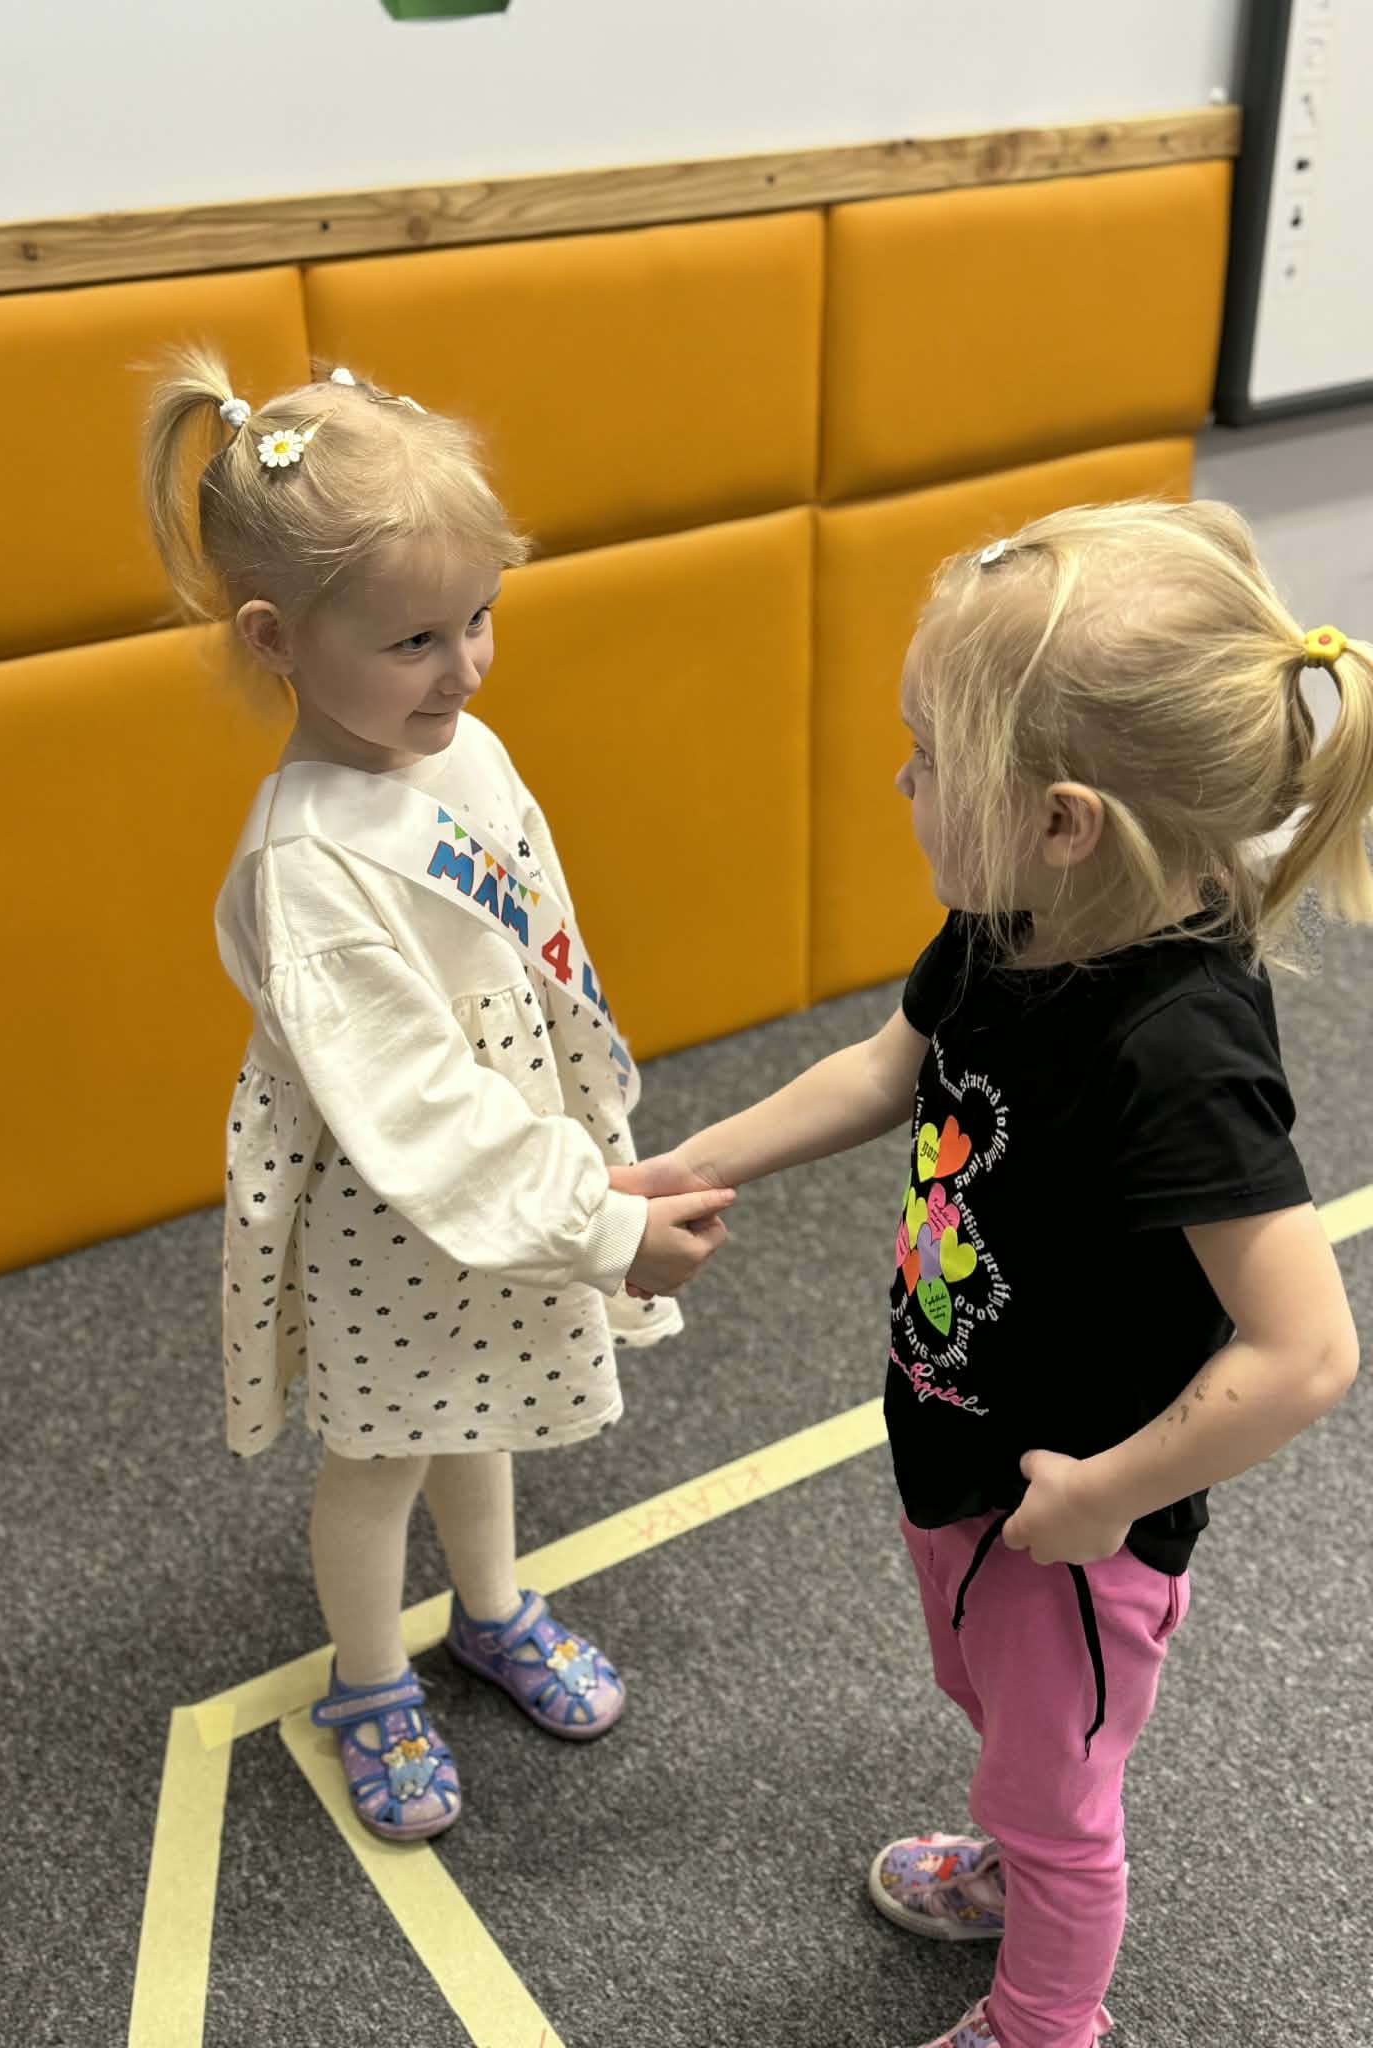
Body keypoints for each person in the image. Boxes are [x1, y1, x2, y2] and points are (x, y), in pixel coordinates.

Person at [612, 500, 1368, 2048]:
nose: (902, 782)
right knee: (991, 1706)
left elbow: (1306, 1351)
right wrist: (696, 1160)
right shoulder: (1008, 926)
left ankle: (1047, 2021)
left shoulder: (1180, 1051)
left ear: (1066, 819)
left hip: (1078, 1515)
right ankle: (1016, 1853)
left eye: (927, 758)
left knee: (1062, 1793)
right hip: (960, 1435)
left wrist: (1106, 1497)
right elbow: (885, 1070)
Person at [142, 353, 734, 1841]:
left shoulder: (465, 749)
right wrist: (597, 1222)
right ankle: (367, 1683)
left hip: (515, 1147)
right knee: (385, 1447)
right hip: (392, 1198)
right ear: (276, 639)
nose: (465, 667)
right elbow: (411, 1108)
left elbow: (543, 952)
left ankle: (490, 1607)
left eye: (478, 617)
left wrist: (589, 1139)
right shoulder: (306, 863)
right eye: (414, 638)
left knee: (485, 1410)